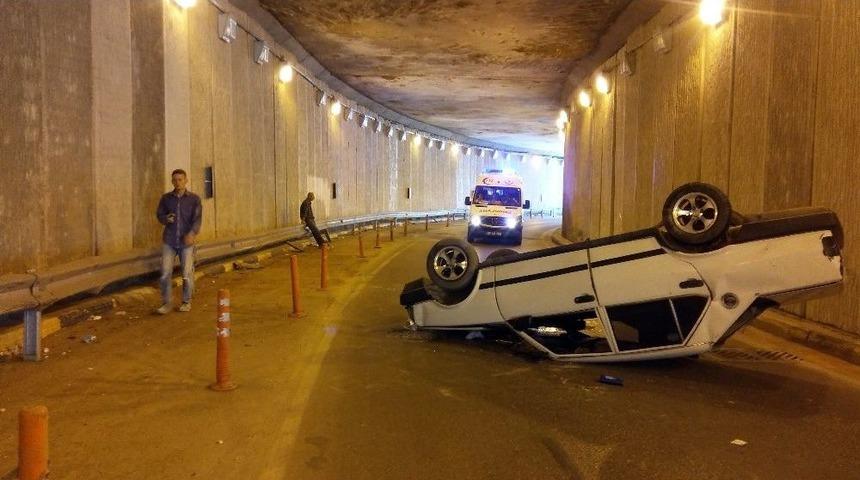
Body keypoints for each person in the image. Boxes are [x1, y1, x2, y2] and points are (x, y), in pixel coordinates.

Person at [155, 169, 202, 314]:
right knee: (165, 274)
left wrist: (192, 233)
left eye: (180, 179)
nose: (177, 182)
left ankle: (186, 302)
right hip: (169, 240)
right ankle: (166, 303)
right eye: (175, 180)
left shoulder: (194, 199)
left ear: (186, 180)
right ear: (172, 181)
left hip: (186, 242)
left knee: (187, 274)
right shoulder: (166, 199)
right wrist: (165, 219)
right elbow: (159, 214)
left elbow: (197, 219)